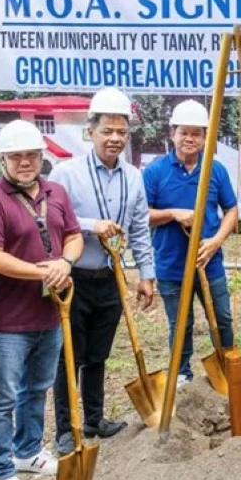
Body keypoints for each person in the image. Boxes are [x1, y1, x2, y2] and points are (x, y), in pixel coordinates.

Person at [0, 120, 83, 480]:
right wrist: (43, 270)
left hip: (50, 313)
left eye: (31, 155)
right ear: (3, 159)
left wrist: (65, 263)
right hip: (8, 319)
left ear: (42, 156)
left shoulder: (56, 192)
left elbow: (73, 235)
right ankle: (1, 470)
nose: (25, 162)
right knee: (2, 397)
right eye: (16, 156)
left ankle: (28, 450)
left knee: (37, 388)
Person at [49, 89, 155, 452]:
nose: (114, 139)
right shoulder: (66, 174)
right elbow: (50, 221)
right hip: (74, 279)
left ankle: (93, 419)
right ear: (90, 131)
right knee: (69, 357)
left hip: (111, 277)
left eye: (121, 132)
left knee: (98, 354)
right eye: (107, 130)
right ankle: (65, 427)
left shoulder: (133, 178)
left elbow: (139, 227)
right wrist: (90, 224)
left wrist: (146, 275)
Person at [143, 100, 239, 385]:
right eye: (184, 132)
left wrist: (216, 241)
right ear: (173, 133)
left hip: (210, 262)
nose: (190, 139)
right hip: (171, 265)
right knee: (180, 324)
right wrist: (173, 214)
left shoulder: (216, 170)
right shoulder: (155, 171)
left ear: (205, 137)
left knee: (221, 319)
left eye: (197, 133)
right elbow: (142, 215)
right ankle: (182, 374)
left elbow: (231, 210)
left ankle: (226, 368)